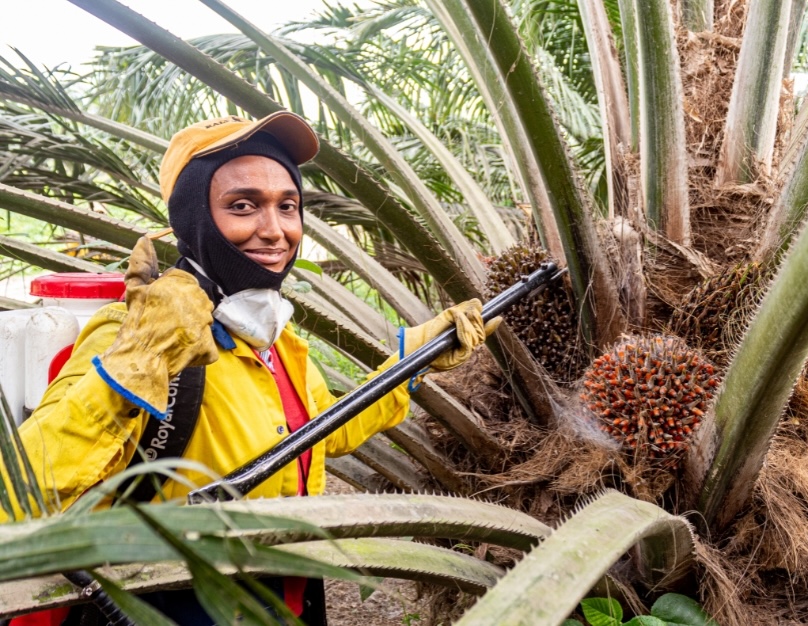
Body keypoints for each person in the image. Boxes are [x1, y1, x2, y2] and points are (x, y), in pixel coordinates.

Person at [6, 111, 497, 624]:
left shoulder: (277, 341)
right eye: (243, 206)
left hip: (284, 601)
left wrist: (409, 362)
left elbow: (317, 435)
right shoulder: (133, 333)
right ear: (194, 218)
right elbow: (23, 494)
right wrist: (140, 359)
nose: (275, 230)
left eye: (289, 207)